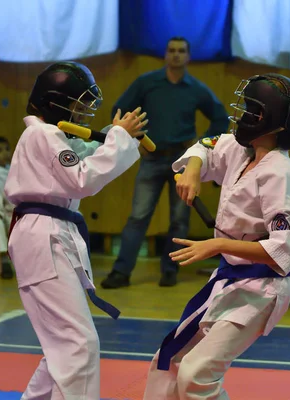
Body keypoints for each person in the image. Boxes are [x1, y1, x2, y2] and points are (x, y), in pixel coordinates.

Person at [142, 73, 290, 399]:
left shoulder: (282, 175)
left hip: (261, 288)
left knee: (196, 374)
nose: (242, 115)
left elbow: (283, 250)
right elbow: (206, 146)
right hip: (229, 278)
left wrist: (218, 244)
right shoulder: (241, 151)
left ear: (276, 122)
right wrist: (193, 170)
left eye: (253, 109)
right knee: (168, 361)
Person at [4, 61, 148, 400]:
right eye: (77, 106)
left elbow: (84, 155)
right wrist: (120, 139)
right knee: (77, 345)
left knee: (64, 346)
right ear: (55, 103)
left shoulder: (49, 136)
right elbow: (81, 178)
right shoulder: (42, 133)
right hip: (42, 235)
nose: (82, 115)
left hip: (47, 233)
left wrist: (119, 138)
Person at [101, 36, 229, 289]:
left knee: (179, 221)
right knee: (138, 217)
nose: (176, 55)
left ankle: (170, 271)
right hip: (151, 159)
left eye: (181, 51)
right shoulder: (147, 83)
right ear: (165, 54)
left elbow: (220, 118)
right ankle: (121, 272)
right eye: (171, 50)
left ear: (188, 56)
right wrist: (136, 140)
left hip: (182, 161)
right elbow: (119, 110)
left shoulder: (195, 88)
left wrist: (200, 144)